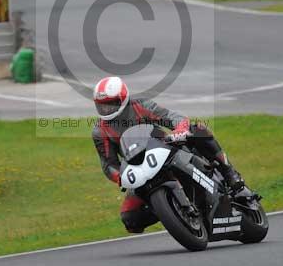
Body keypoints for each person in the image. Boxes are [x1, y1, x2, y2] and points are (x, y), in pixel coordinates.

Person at [92, 76, 244, 234]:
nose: (106, 109)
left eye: (111, 104)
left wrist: (180, 130)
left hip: (164, 149)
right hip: (139, 169)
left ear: (123, 99)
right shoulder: (99, 131)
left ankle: (229, 171)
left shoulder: (141, 105)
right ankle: (173, 211)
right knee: (130, 218)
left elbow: (172, 117)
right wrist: (120, 176)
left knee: (198, 129)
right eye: (102, 105)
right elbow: (108, 164)